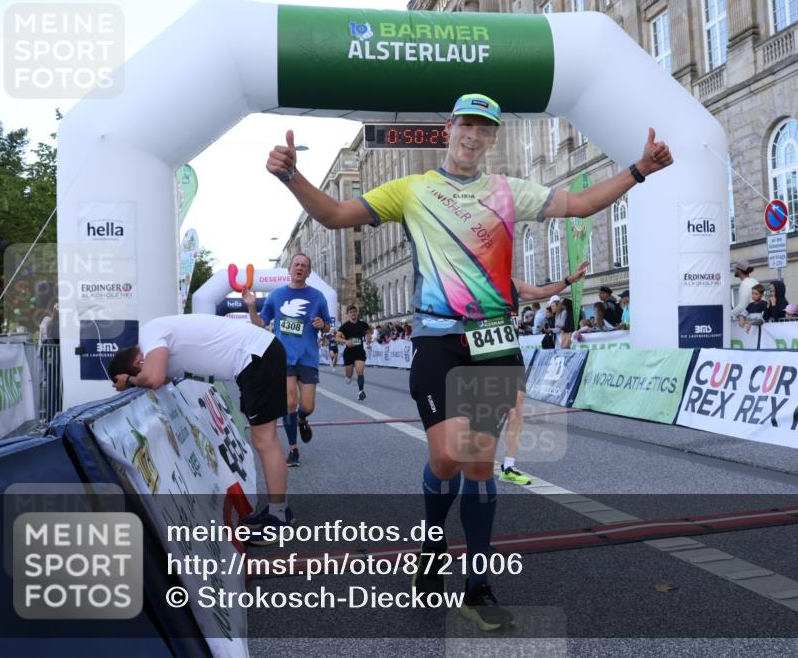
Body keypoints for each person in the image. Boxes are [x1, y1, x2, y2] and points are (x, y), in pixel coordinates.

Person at [264, 91, 673, 630]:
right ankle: (433, 550)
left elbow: (579, 204)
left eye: (484, 129)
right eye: (466, 126)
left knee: (479, 464)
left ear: (492, 138)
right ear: (449, 129)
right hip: (438, 341)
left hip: (494, 342)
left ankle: (478, 584)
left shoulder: (507, 191)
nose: (473, 137)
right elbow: (336, 214)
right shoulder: (413, 189)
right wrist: (292, 177)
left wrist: (640, 170)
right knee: (446, 458)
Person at [107, 314, 292, 543]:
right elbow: (162, 378)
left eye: (137, 373)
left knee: (265, 440)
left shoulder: (148, 335)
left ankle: (279, 517)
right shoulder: (154, 342)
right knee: (264, 439)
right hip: (254, 356)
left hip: (255, 356)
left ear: (137, 363)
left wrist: (130, 381)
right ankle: (279, 509)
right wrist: (136, 378)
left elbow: (153, 378)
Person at [502, 261, 589, 485]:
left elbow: (543, 292)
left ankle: (508, 465)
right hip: (483, 355)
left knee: (516, 408)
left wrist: (569, 280)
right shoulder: (475, 284)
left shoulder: (513, 284)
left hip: (511, 352)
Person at [243, 253, 332, 469]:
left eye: (304, 266)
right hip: (283, 357)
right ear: (289, 269)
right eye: (296, 264)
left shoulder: (318, 296)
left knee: (307, 406)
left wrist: (323, 325)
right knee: (289, 402)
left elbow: (328, 325)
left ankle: (302, 419)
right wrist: (251, 306)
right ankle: (293, 449)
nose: (300, 268)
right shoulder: (277, 295)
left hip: (308, 357)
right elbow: (260, 324)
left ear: (309, 272)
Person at [336, 305, 372, 401]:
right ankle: (348, 377)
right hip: (349, 353)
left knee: (360, 372)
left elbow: (368, 331)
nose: (353, 314)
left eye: (354, 312)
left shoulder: (362, 324)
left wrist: (368, 337)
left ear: (357, 313)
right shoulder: (345, 326)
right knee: (349, 377)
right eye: (351, 312)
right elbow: (337, 337)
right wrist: (346, 341)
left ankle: (361, 391)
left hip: (359, 352)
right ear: (347, 314)